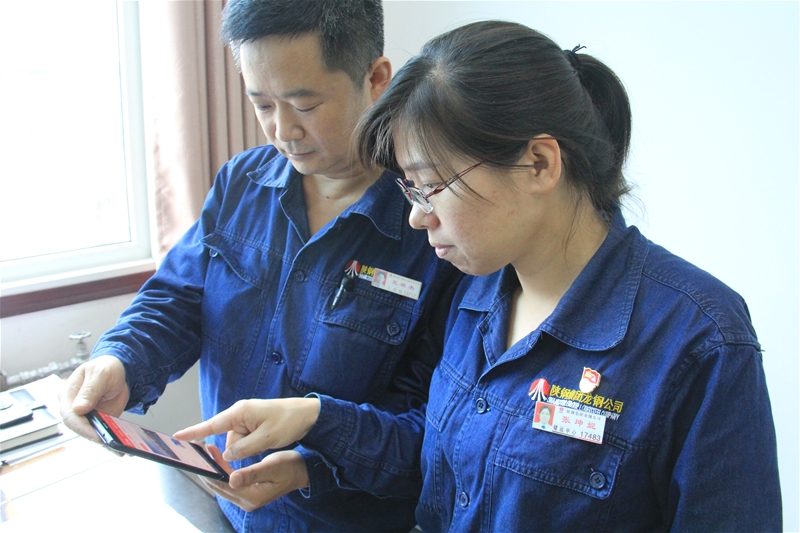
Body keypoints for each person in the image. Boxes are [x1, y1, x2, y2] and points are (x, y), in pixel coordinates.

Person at [178, 20, 783, 531]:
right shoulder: (478, 295)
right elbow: (443, 457)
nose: (417, 216)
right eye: (409, 189)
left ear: (538, 163)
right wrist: (315, 429)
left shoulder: (697, 339)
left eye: (431, 185)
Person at [58, 1, 461, 531]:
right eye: (262, 104)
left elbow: (434, 422)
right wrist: (121, 360)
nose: (283, 130)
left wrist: (310, 466)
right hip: (226, 506)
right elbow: (177, 299)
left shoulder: (435, 227)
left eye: (305, 105)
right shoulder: (241, 183)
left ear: (376, 79)